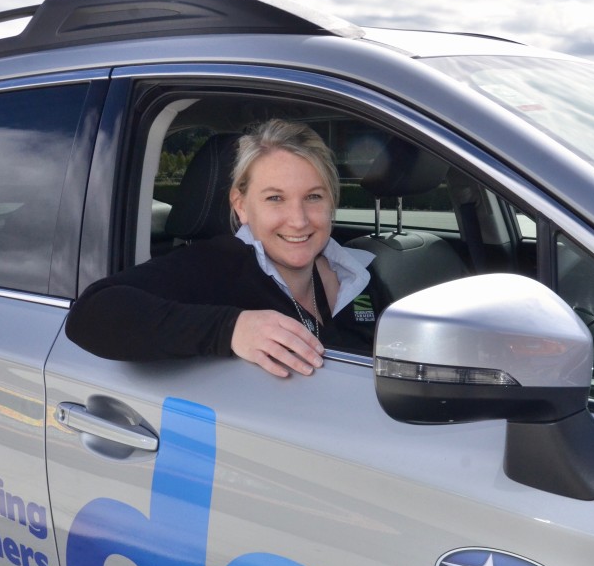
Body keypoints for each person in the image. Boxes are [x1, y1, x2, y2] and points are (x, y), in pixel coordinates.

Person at [65, 119, 388, 377]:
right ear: (242, 206)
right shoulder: (214, 265)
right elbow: (92, 314)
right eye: (275, 198)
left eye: (314, 197)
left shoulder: (356, 272)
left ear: (332, 201)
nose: (298, 220)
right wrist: (230, 329)